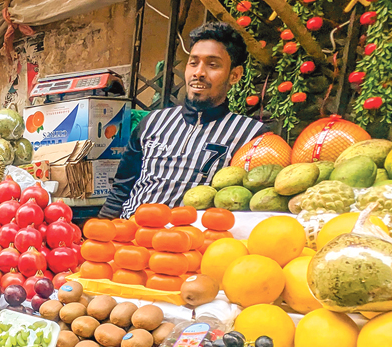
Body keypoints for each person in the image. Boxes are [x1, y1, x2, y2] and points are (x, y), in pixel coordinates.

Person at [100, 22, 268, 219]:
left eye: (212, 65)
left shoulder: (251, 136)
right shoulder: (152, 123)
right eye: (193, 62)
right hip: (131, 237)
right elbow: (121, 188)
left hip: (193, 243)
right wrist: (100, 233)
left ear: (235, 75)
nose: (199, 73)